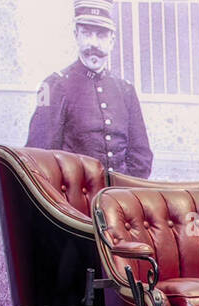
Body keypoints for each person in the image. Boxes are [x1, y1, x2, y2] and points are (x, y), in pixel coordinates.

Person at [26, 0, 153, 177]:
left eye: (101, 35)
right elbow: (38, 156)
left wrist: (125, 193)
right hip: (74, 200)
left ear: (112, 40)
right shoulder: (52, 86)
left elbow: (142, 156)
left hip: (120, 198)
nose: (93, 44)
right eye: (86, 34)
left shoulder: (126, 91)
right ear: (76, 35)